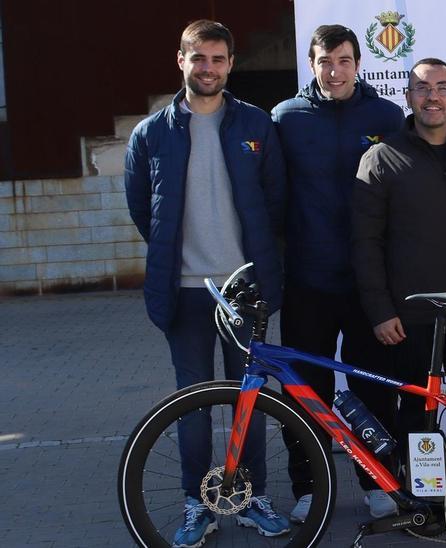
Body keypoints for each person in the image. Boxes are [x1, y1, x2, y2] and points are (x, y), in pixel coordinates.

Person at [124, 19, 289, 547]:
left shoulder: (256, 124)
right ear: (182, 61)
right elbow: (143, 210)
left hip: (244, 292)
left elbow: (275, 202)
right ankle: (197, 504)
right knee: (191, 405)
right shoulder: (151, 133)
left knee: (250, 401)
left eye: (218, 59)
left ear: (231, 64)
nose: (209, 68)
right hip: (186, 292)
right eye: (199, 58)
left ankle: (251, 497)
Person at [350, 57, 446, 522]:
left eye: (442, 87)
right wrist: (380, 311)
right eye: (422, 87)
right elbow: (365, 243)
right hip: (412, 314)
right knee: (418, 412)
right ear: (408, 97)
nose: (432, 96)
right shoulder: (380, 159)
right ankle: (428, 503)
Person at [270, 24, 404, 522]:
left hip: (368, 283)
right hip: (308, 282)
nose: (335, 71)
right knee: (305, 389)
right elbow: (273, 195)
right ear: (312, 64)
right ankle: (309, 488)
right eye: (325, 62)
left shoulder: (386, 116)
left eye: (344, 61)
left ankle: (377, 483)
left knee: (374, 388)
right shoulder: (286, 117)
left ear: (358, 64)